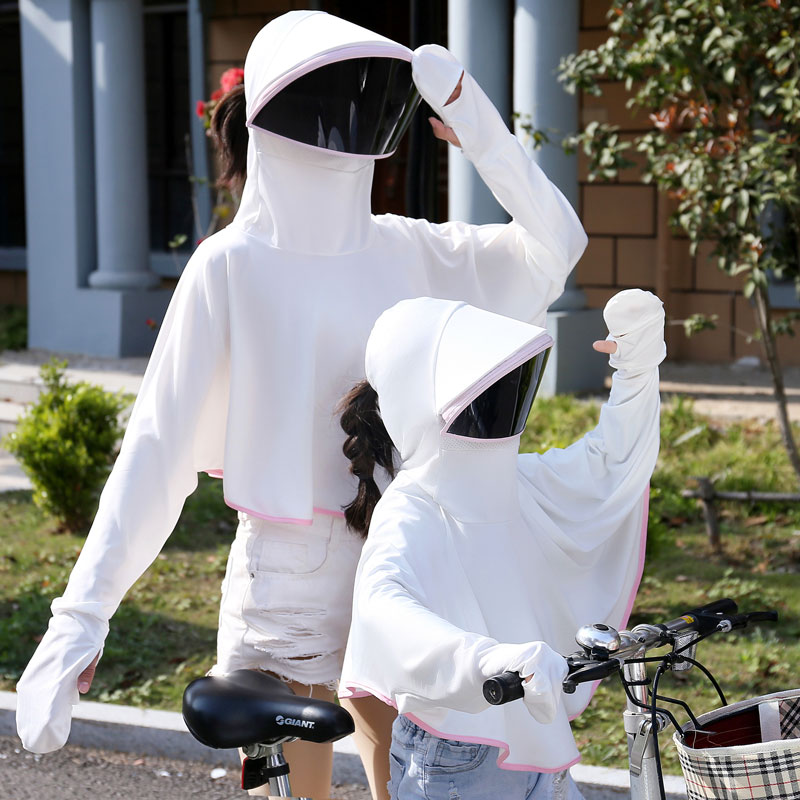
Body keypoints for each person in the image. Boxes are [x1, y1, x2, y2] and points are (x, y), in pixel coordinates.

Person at [15, 10, 587, 799]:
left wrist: (476, 121)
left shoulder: (411, 249)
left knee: (413, 777)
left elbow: (557, 249)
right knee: (292, 787)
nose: (350, 122)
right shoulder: (232, 267)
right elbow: (158, 449)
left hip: (404, 545)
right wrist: (81, 616)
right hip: (292, 572)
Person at [338, 290, 665, 799]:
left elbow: (608, 465)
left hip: (532, 736)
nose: (500, 403)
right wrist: (483, 661)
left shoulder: (516, 479)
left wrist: (636, 373)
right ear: (421, 402)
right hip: (455, 756)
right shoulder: (413, 505)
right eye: (482, 394)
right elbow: (383, 606)